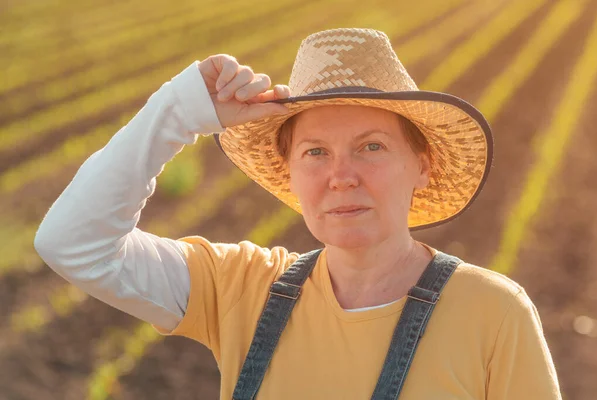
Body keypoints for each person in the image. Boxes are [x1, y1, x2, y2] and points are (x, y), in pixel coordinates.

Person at [34, 28, 561, 399]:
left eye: (372, 146)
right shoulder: (241, 287)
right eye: (315, 152)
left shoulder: (493, 313)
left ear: (422, 166)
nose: (342, 175)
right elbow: (72, 244)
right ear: (289, 173)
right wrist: (178, 111)